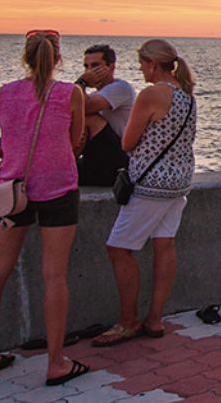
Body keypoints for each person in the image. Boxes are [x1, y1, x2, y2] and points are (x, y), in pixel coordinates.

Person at [0, 30, 88, 387]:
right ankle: (56, 363)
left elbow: (9, 138)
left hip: (13, 190)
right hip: (58, 188)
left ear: (25, 57)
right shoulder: (71, 93)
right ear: (58, 58)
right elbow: (75, 142)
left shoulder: (4, 94)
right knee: (54, 276)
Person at [94, 39, 197, 348]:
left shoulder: (152, 94)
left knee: (119, 248)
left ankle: (127, 322)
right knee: (164, 246)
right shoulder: (187, 97)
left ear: (152, 64)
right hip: (178, 183)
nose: (140, 70)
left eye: (141, 64)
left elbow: (128, 142)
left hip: (151, 185)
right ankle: (154, 318)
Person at [75, 44, 136, 186]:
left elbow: (84, 107)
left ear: (111, 67)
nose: (89, 71)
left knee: (89, 118)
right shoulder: (95, 95)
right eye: (86, 66)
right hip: (98, 158)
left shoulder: (121, 88)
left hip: (118, 162)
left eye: (95, 65)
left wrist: (82, 82)